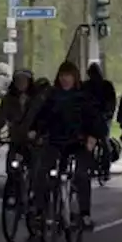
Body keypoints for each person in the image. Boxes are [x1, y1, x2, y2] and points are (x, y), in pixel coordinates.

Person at [29, 61, 103, 228]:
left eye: (68, 76)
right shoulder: (52, 97)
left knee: (81, 175)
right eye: (62, 76)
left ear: (74, 77)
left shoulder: (84, 97)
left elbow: (95, 119)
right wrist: (35, 130)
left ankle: (84, 213)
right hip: (55, 142)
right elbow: (43, 116)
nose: (65, 79)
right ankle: (40, 210)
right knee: (42, 172)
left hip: (78, 143)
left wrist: (92, 136)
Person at [0, 69, 38, 169]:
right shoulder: (9, 99)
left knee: (36, 166)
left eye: (24, 80)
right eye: (18, 81)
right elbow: (1, 116)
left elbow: (43, 117)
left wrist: (38, 132)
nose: (21, 83)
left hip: (33, 138)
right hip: (16, 137)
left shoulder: (37, 98)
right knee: (11, 166)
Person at [85, 63, 117, 176]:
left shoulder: (104, 86)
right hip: (93, 117)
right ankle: (100, 166)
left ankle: (104, 167)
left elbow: (111, 102)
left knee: (103, 141)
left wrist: (108, 113)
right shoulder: (89, 86)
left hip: (101, 117)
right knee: (97, 142)